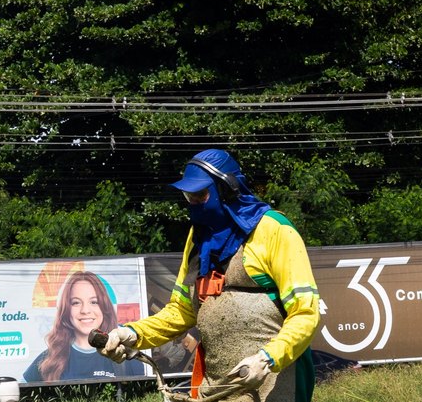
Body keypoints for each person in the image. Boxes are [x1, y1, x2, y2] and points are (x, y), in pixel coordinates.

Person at [98, 149, 320, 401]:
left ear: (226, 190)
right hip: (215, 388)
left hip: (272, 382)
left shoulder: (274, 229)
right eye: (188, 195)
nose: (193, 202)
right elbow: (181, 311)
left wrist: (267, 359)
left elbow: (305, 313)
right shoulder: (198, 238)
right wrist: (132, 334)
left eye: (200, 194)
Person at [22, 270, 144, 382]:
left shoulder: (125, 356)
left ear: (104, 307)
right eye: (76, 303)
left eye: (94, 302)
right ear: (66, 309)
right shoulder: (49, 359)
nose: (85, 310)